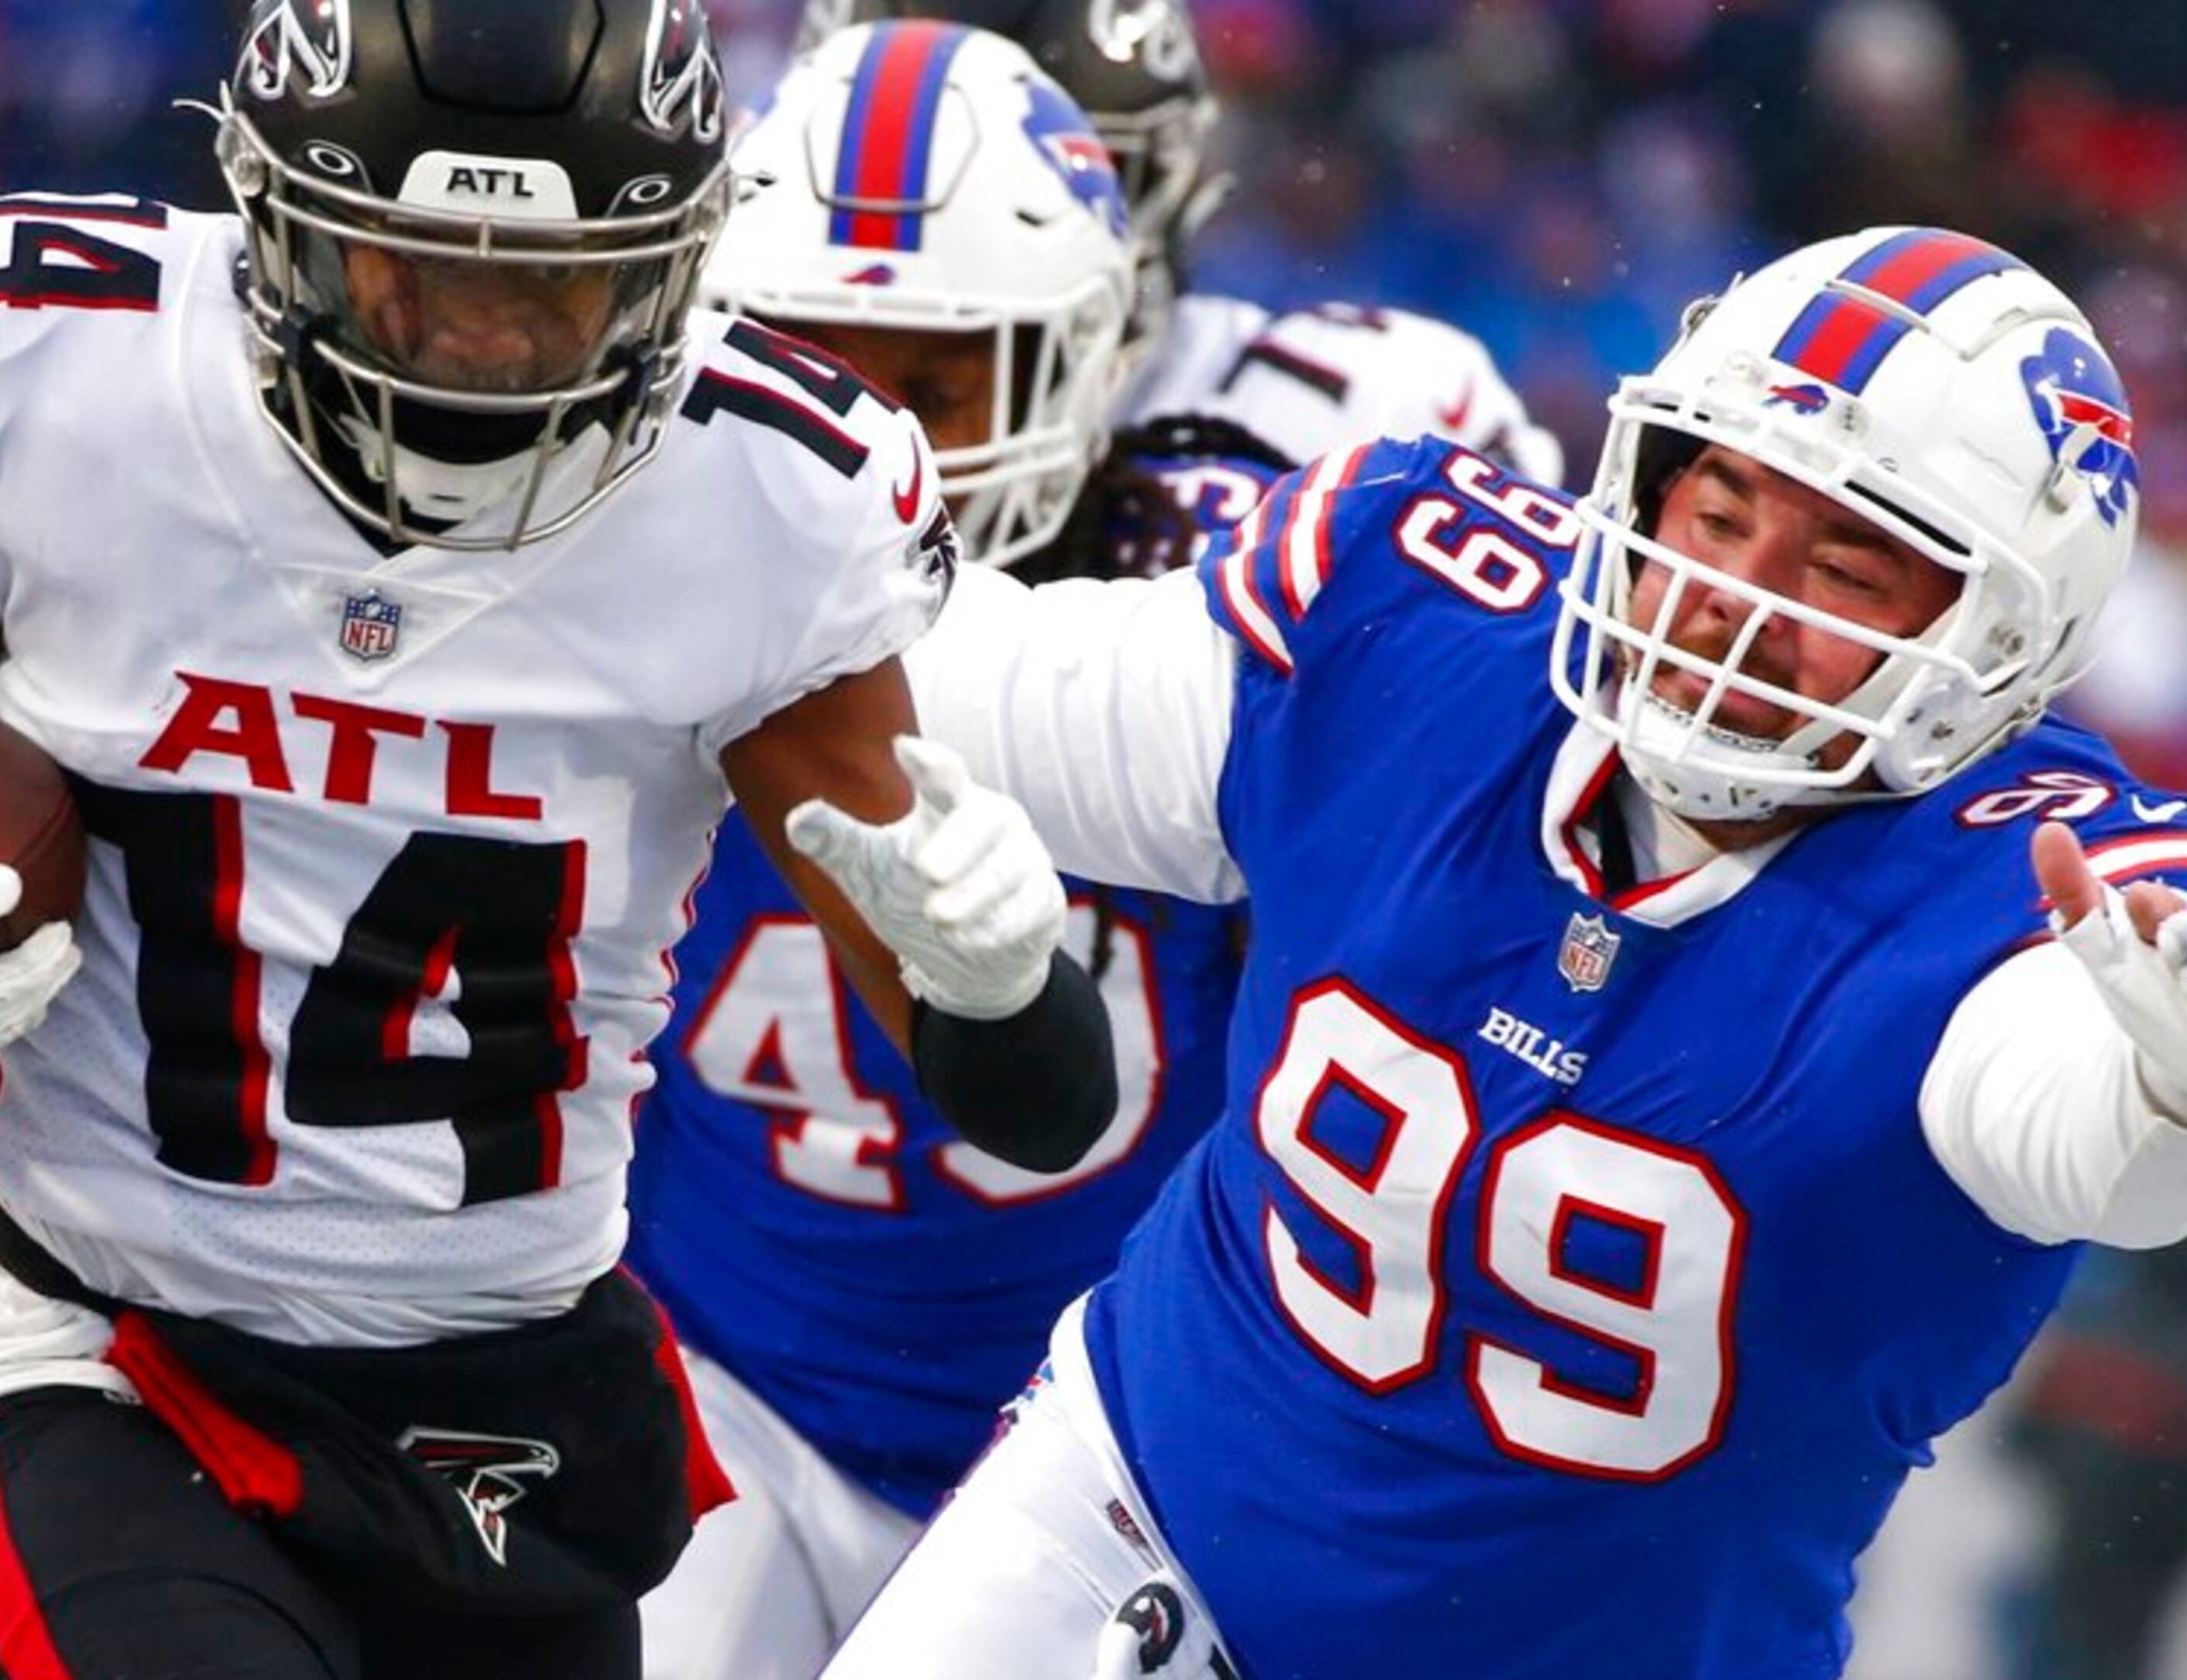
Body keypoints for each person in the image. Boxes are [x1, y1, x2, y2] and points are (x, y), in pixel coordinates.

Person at [0, 3, 1115, 1678]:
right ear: (270, 217)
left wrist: (1000, 976)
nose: (479, 347)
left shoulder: (764, 505)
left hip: (520, 1395)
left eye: (552, 286)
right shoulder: (43, 379)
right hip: (122, 1357)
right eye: (421, 272)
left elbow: (1037, 1106)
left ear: (677, 262)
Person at [829, 226, 2187, 1678]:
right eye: (1719, 514)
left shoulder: (2031, 893)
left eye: (1846, 570)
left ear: (2004, 641)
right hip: (1126, 1520)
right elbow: (951, 682)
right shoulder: (1421, 628)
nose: (1732, 596)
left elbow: (2102, 1139)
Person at [624, 16, 1563, 1676]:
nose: (877, 429)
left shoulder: (1284, 504)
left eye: (937, 373)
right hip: (719, 1368)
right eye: (820, 348)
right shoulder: (632, 491)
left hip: (1123, 1415)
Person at [793, 0, 1564, 486]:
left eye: (1042, 180)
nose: (969, 232)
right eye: (922, 175)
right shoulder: (712, 405)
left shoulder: (1359, 416)